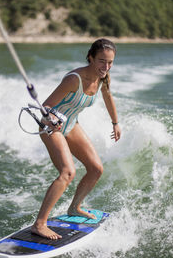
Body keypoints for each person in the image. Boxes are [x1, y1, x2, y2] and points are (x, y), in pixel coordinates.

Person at [31, 38, 121, 240]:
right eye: (101, 61)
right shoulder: (74, 80)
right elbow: (44, 107)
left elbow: (108, 96)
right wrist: (51, 119)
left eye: (110, 62)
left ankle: (75, 207)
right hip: (51, 126)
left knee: (96, 168)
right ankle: (39, 224)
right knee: (67, 172)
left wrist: (115, 123)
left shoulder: (104, 77)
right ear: (90, 57)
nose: (106, 66)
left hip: (71, 124)